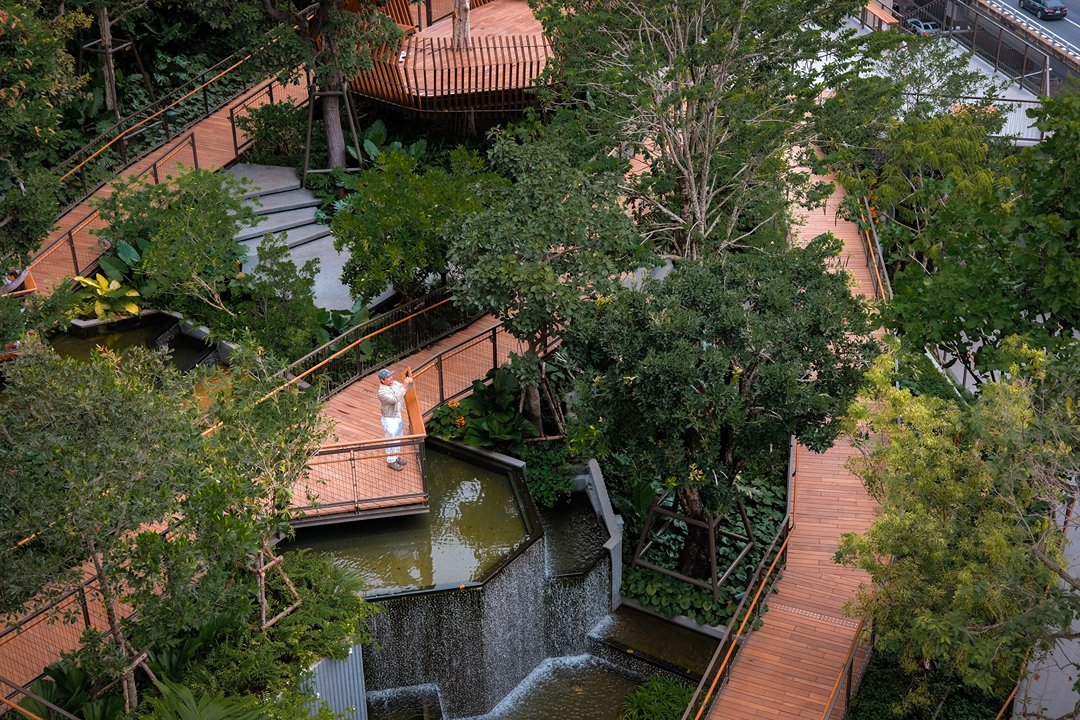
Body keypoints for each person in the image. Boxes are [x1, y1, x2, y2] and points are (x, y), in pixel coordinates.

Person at [377, 368, 413, 471]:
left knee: (398, 437)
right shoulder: (381, 392)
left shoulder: (395, 383)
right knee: (391, 439)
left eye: (391, 375)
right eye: (388, 377)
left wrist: (410, 382)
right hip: (389, 418)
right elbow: (394, 399)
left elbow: (406, 389)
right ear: (382, 380)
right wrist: (404, 386)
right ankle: (390, 461)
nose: (391, 377)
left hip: (397, 415)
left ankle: (396, 456)